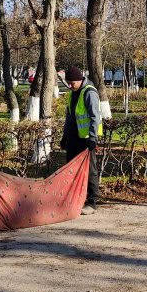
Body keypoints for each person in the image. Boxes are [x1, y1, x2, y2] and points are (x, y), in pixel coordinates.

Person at [60, 67, 103, 215]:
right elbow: (70, 117)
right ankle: (74, 199)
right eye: (68, 83)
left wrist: (92, 138)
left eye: (71, 83)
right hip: (74, 137)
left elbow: (94, 117)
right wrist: (65, 136)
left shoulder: (89, 92)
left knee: (90, 171)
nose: (69, 86)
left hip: (86, 140)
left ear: (79, 80)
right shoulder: (73, 94)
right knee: (70, 169)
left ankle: (92, 202)